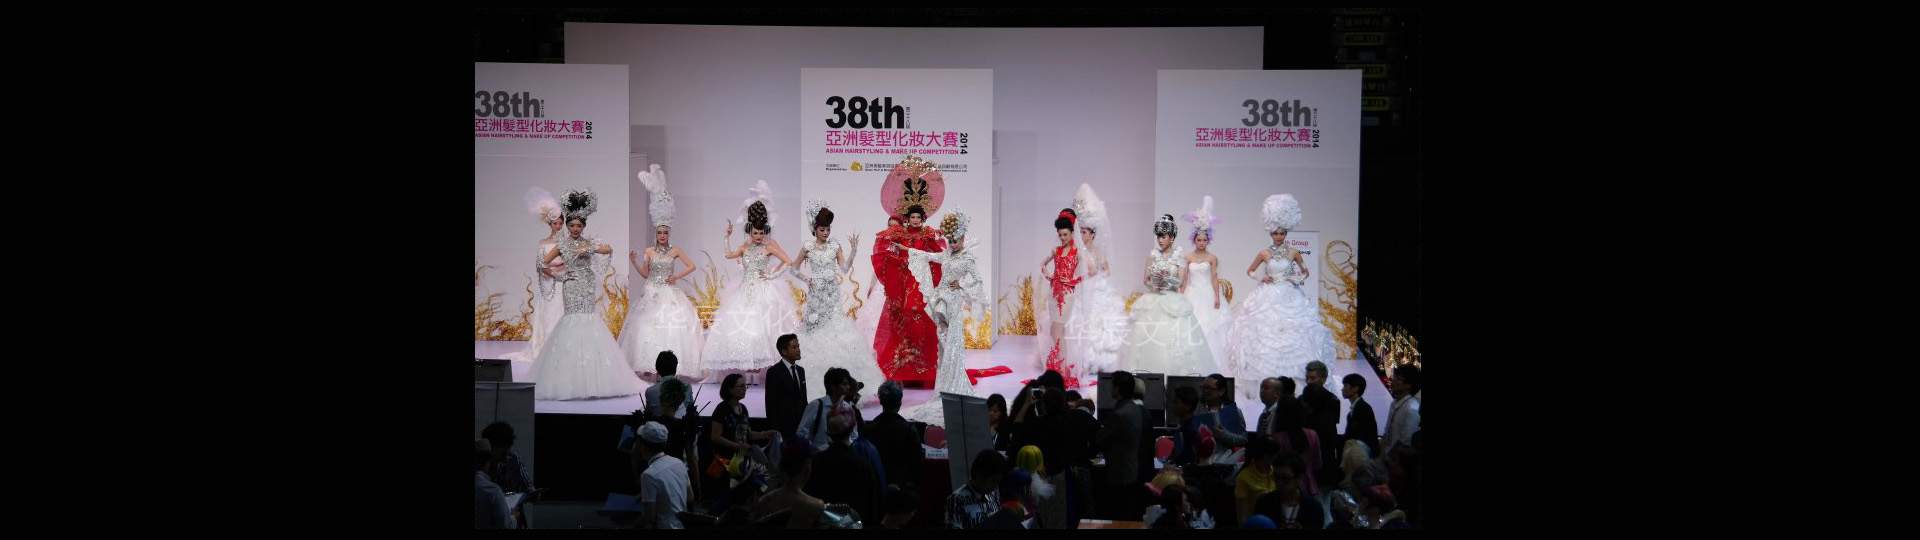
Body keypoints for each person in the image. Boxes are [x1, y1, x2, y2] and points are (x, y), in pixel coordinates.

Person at [529, 188, 642, 400]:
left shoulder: (588, 242)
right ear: (567, 226)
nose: (574, 229)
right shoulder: (562, 244)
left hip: (587, 286)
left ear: (584, 227)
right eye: (571, 225)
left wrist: (587, 250)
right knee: (571, 320)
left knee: (588, 319)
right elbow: (541, 263)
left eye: (578, 226)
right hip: (571, 286)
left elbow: (608, 249)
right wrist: (559, 277)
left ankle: (593, 377)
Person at [898, 208, 1007, 425]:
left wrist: (962, 285)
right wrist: (909, 249)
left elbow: (978, 281)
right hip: (941, 300)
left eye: (955, 241)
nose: (952, 244)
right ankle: (945, 386)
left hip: (953, 304)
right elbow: (930, 256)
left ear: (963, 238)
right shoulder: (947, 254)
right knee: (943, 344)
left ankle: (954, 386)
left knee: (953, 345)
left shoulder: (967, 259)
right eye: (949, 240)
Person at [1222, 194, 1335, 394]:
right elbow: (1250, 270)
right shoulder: (1264, 253)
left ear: (1286, 233)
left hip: (1289, 294)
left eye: (1282, 233)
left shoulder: (1293, 252)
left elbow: (1305, 272)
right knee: (1264, 330)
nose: (1279, 236)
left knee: (1294, 332)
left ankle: (1295, 379)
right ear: (1271, 233)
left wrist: (1295, 280)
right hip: (1267, 295)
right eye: (1276, 233)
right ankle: (1261, 378)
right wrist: (1261, 278)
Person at [619, 165, 705, 382]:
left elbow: (692, 265)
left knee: (670, 326)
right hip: (651, 292)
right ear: (656, 234)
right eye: (659, 233)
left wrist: (676, 277)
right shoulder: (648, 251)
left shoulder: (675, 250)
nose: (663, 235)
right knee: (647, 327)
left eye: (665, 232)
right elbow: (645, 274)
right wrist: (634, 262)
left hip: (669, 292)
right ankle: (647, 366)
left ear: (669, 233)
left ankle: (668, 368)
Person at [703, 181, 799, 374]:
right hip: (744, 290)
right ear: (750, 231)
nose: (758, 236)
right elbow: (728, 255)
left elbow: (789, 261)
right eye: (755, 233)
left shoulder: (769, 245)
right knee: (743, 324)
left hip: (764, 290)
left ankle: (763, 364)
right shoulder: (745, 247)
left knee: (763, 324)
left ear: (765, 231)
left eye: (761, 233)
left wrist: (772, 274)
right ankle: (749, 362)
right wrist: (726, 236)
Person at [792, 198, 882, 400]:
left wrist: (853, 251)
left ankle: (846, 384)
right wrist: (807, 279)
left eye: (828, 229)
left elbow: (844, 269)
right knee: (815, 331)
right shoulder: (808, 247)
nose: (826, 232)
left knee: (837, 329)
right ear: (815, 229)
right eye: (822, 229)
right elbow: (793, 269)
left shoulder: (835, 246)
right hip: (816, 296)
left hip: (832, 295)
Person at [872, 156, 947, 385]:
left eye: (918, 217)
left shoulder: (929, 234)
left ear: (923, 217)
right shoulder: (899, 234)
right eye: (912, 217)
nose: (915, 220)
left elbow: (940, 256)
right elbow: (883, 249)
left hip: (921, 284)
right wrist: (897, 260)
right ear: (907, 217)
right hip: (904, 283)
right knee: (902, 321)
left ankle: (923, 370)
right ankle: (904, 371)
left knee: (922, 321)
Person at [1056, 184, 1128, 388]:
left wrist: (1100, 269)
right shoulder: (1076, 250)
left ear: (1093, 234)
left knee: (1099, 322)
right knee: (1076, 320)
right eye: (1081, 231)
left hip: (1097, 288)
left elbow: (1106, 268)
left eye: (1085, 232)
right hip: (1081, 287)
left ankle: (1097, 359)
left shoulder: (1097, 250)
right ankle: (1075, 358)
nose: (1082, 234)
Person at [500, 187, 566, 364]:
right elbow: (539, 264)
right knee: (549, 311)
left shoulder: (566, 242)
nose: (558, 226)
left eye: (560, 223)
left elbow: (569, 262)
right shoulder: (543, 242)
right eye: (555, 223)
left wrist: (558, 268)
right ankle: (546, 348)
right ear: (549, 224)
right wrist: (552, 268)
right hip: (548, 282)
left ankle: (562, 348)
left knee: (561, 311)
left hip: (562, 282)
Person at [1179, 195, 1233, 369]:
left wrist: (1217, 297)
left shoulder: (1212, 257)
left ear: (1208, 240)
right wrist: (1180, 296)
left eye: (1204, 240)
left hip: (1208, 294)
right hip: (1192, 293)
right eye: (1199, 240)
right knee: (1192, 326)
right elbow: (1184, 279)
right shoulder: (1188, 257)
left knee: (1211, 328)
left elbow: (1214, 278)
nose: (1201, 242)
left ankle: (1213, 363)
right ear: (1194, 240)